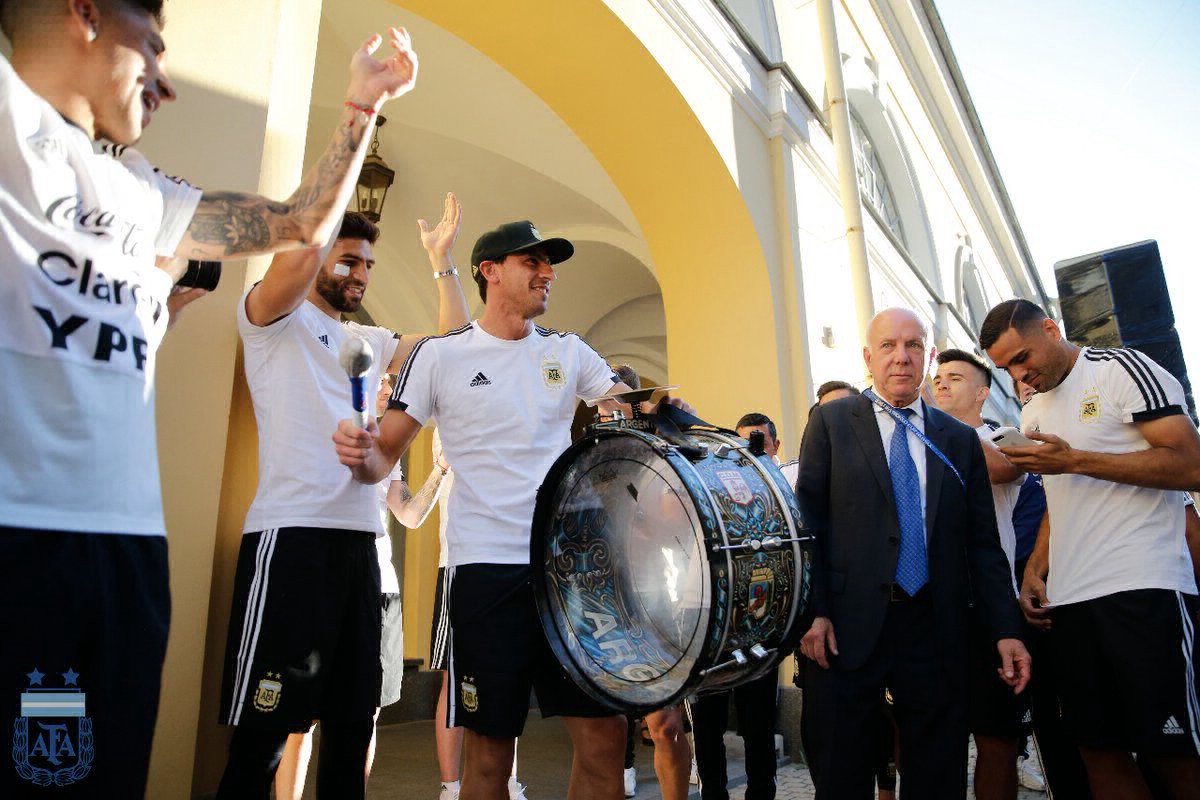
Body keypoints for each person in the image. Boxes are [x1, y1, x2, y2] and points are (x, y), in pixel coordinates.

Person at [0, 2, 418, 795]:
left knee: (100, 770)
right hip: (24, 541)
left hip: (127, 556)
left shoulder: (143, 192)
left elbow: (298, 224)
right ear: (83, 15)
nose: (167, 82)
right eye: (154, 47)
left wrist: (363, 108)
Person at [333, 218, 692, 800]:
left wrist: (663, 403)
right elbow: (381, 460)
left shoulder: (567, 350)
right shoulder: (437, 356)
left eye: (550, 263)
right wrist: (361, 456)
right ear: (490, 271)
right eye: (533, 262)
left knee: (603, 741)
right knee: (489, 757)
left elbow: (622, 403)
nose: (548, 273)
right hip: (486, 573)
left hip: (571, 573)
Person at [217, 200, 469, 798]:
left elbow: (451, 348)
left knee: (352, 734)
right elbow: (291, 263)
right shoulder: (274, 318)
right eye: (348, 259)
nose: (360, 273)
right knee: (263, 737)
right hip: (291, 542)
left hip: (363, 553)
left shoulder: (365, 340)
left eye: (369, 265)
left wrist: (442, 263)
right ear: (317, 254)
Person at [796, 307, 1029, 799]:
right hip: (847, 626)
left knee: (937, 770)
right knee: (843, 771)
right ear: (868, 357)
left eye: (913, 346)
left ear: (927, 355)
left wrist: (1005, 629)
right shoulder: (833, 422)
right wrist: (813, 613)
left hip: (935, 626)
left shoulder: (959, 440)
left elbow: (982, 543)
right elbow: (807, 525)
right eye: (888, 346)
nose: (901, 358)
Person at [980, 299, 1200, 800]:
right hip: (1071, 601)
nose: (1019, 373)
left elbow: (1191, 465)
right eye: (1006, 366)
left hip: (1144, 587)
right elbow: (1062, 497)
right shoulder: (1032, 409)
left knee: (1173, 752)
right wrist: (1036, 568)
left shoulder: (1125, 369)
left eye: (1021, 357)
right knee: (1098, 750)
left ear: (1052, 329)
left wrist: (1075, 459)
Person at [274, 374, 455, 800]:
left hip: (380, 590)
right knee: (304, 717)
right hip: (325, 583)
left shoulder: (392, 450)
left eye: (393, 383)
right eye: (382, 379)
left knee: (364, 715)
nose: (391, 388)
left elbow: (408, 515)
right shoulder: (322, 430)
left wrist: (441, 470)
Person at [932, 349, 1030, 800]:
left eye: (954, 377)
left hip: (989, 609)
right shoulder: (915, 438)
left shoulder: (1005, 436)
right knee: (932, 739)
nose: (941, 384)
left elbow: (1004, 469)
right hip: (930, 606)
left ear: (983, 393)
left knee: (997, 739)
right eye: (938, 377)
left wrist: (930, 424)